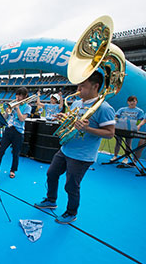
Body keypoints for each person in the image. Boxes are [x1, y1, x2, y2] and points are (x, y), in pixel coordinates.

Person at [34, 71, 115, 224]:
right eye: (78, 85)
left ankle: (71, 212)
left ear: (95, 86)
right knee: (51, 174)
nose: (78, 89)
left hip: (82, 155)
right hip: (66, 149)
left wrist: (88, 129)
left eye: (82, 86)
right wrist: (64, 118)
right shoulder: (77, 103)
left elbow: (110, 133)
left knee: (71, 185)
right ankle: (51, 200)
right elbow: (73, 123)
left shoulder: (104, 108)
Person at [0, 87, 32, 179]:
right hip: (8, 130)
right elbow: (5, 118)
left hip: (18, 132)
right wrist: (6, 111)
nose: (18, 97)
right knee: (0, 151)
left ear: (25, 96)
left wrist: (17, 109)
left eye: (20, 95)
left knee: (15, 153)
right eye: (17, 95)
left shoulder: (27, 107)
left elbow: (22, 119)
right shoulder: (13, 104)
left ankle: (13, 170)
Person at [110, 96, 144, 164]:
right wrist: (115, 120)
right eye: (130, 101)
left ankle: (126, 158)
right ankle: (115, 156)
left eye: (134, 101)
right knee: (118, 142)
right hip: (121, 128)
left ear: (136, 102)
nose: (132, 103)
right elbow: (116, 116)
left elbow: (140, 120)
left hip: (130, 129)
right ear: (127, 102)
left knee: (128, 144)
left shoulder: (139, 111)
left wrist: (137, 126)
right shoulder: (122, 109)